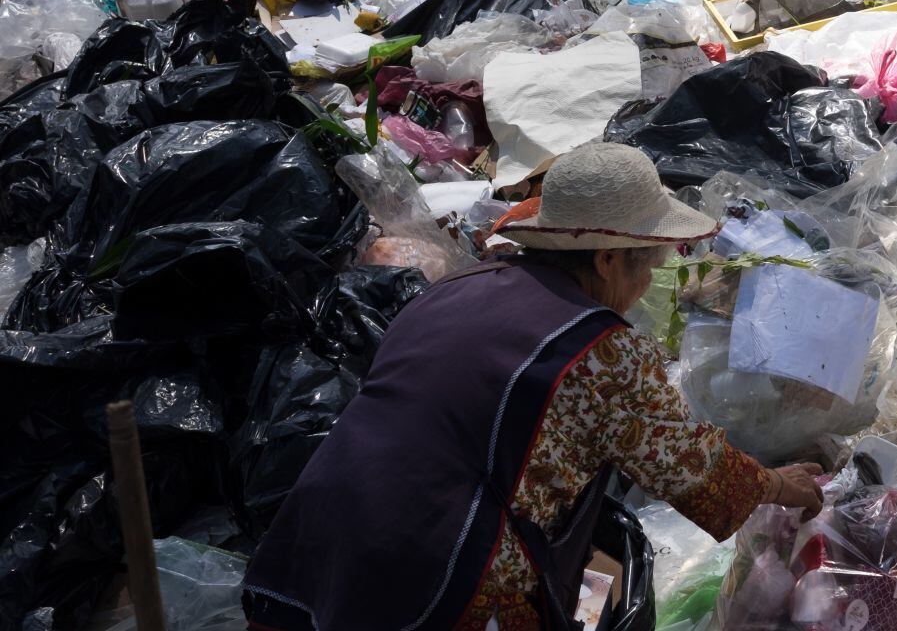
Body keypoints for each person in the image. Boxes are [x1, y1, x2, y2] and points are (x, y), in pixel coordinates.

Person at [242, 142, 824, 631]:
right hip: (436, 569)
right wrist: (780, 483)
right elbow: (690, 469)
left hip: (314, 538)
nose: (647, 281)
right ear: (605, 259)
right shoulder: (604, 350)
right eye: (644, 264)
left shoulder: (458, 287)